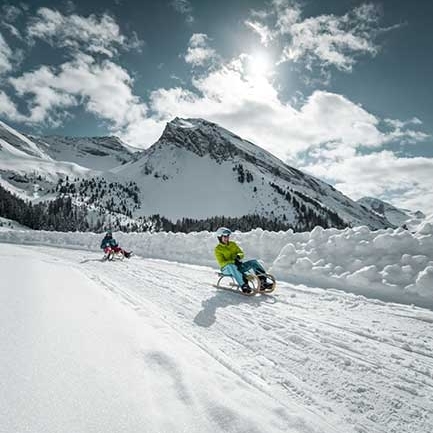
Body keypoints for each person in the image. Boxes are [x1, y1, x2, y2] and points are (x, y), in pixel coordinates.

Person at [214, 227, 272, 293]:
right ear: (219, 237)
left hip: (238, 266)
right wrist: (233, 261)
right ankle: (244, 285)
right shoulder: (218, 249)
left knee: (254, 262)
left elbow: (241, 252)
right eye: (224, 236)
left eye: (228, 236)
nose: (227, 238)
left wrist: (239, 256)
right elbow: (221, 263)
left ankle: (263, 282)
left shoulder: (232, 244)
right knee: (231, 266)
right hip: (226, 269)